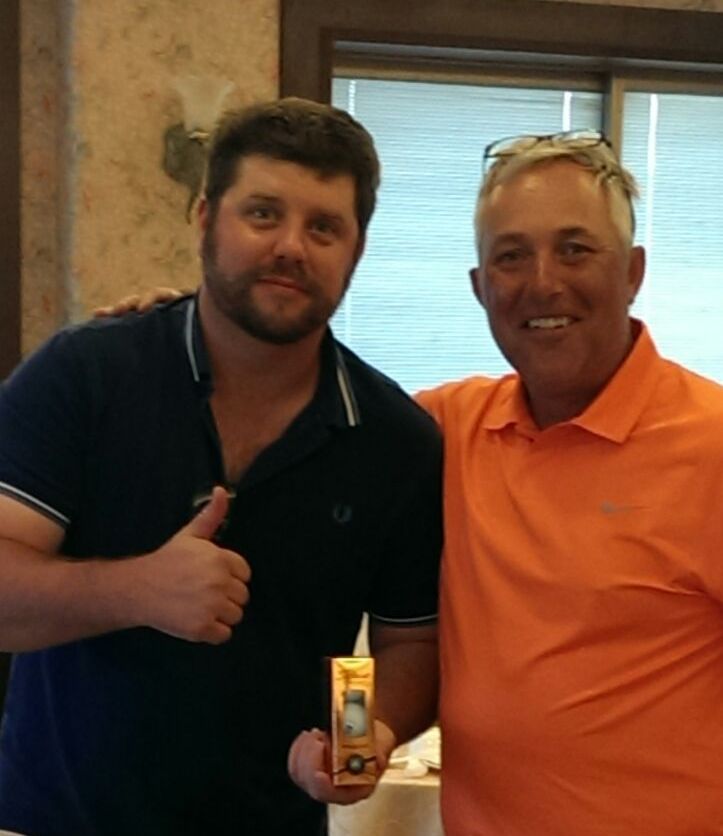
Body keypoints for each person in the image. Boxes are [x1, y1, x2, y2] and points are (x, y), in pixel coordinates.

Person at [0, 98, 442, 836]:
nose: (291, 247)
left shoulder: (395, 441)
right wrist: (136, 589)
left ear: (356, 250)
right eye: (262, 214)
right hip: (58, 820)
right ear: (205, 218)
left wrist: (356, 741)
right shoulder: (86, 375)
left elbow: (406, 643)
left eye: (323, 227)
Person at [413, 132, 723, 834]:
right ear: (479, 287)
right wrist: (178, 331)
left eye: (575, 249)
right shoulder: (448, 429)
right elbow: (304, 410)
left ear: (633, 272)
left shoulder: (710, 445)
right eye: (511, 256)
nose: (543, 282)